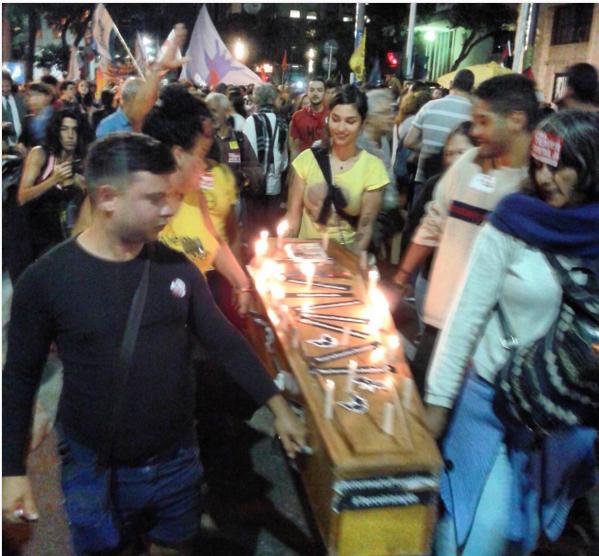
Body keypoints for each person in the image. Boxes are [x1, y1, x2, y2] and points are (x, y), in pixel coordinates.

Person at [2, 133, 307, 556]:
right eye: (154, 198)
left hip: (177, 459)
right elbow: (18, 376)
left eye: (172, 196)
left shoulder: (175, 268)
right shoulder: (47, 281)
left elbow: (224, 340)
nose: (169, 209)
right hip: (95, 467)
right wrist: (11, 470)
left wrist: (277, 406)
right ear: (107, 197)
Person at [426, 110, 599, 556]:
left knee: (519, 539)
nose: (544, 178)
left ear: (590, 166)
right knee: (479, 530)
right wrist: (437, 407)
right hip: (488, 403)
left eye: (559, 166)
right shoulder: (514, 220)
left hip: (557, 420)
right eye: (538, 165)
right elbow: (464, 318)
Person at [393, 74, 538, 395]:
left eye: (483, 122)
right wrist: (401, 278)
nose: (474, 132)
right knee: (421, 410)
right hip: (440, 320)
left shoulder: (538, 184)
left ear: (516, 120)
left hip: (492, 337)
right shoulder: (468, 164)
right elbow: (433, 223)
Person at [285, 85, 389, 254]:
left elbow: (365, 229)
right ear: (328, 119)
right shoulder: (306, 160)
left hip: (344, 258)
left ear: (362, 124)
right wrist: (284, 249)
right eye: (336, 119)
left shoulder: (373, 168)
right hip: (305, 257)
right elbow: (292, 217)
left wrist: (349, 265)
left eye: (350, 121)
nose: (341, 129)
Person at [17, 108, 89, 263]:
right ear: (56, 132)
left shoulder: (81, 160)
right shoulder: (40, 154)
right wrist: (53, 180)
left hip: (71, 236)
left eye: (74, 130)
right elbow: (23, 196)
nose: (70, 136)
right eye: (64, 129)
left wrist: (84, 186)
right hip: (38, 237)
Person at [404, 69, 474, 198]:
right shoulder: (474, 114)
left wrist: (427, 147)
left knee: (419, 216)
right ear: (471, 88)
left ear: (451, 84)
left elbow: (409, 141)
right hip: (456, 183)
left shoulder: (429, 106)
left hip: (424, 177)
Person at [243, 84, 289, 238]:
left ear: (258, 99)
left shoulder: (251, 121)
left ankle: (254, 258)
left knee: (254, 227)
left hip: (255, 184)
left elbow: (247, 154)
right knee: (271, 226)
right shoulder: (282, 122)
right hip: (274, 184)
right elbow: (284, 159)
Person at [289, 76, 328, 161]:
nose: (315, 93)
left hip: (328, 165)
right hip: (305, 165)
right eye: (312, 90)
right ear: (307, 92)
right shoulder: (298, 116)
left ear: (325, 93)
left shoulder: (333, 115)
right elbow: (294, 148)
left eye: (319, 90)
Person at [19, 82, 55, 149]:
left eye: (36, 95)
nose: (32, 99)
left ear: (48, 97)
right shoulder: (27, 120)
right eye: (30, 95)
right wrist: (20, 145)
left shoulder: (56, 117)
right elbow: (22, 141)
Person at [2, 71, 26, 152]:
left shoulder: (20, 99)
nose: (4, 89)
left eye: (7, 86)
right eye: (1, 86)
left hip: (22, 145)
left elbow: (25, 119)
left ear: (11, 85)